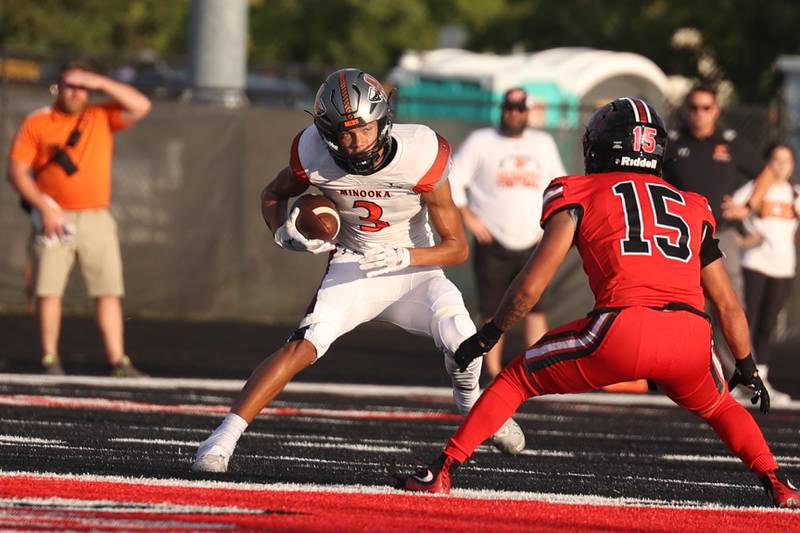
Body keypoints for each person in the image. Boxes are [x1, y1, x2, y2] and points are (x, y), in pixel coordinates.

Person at [401, 98, 799, 508]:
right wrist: (747, 365)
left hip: (622, 328)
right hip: (690, 336)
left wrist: (490, 334)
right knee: (719, 406)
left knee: (516, 378)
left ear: (601, 146)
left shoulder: (577, 191)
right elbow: (728, 304)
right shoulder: (693, 206)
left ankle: (443, 469)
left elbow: (530, 287)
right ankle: (778, 482)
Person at [191, 68, 526, 474]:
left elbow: (456, 248)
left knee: (463, 338)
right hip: (354, 264)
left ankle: (471, 401)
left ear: (383, 121)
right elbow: (273, 194)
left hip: (415, 270)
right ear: (327, 133)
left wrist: (406, 256)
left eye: (365, 129)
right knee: (304, 344)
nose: (357, 142)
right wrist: (282, 232)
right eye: (346, 134)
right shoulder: (313, 152)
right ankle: (221, 438)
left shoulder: (421, 152)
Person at [7, 61, 151, 377]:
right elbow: (16, 170)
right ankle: (50, 358)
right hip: (54, 217)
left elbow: (141, 105)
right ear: (58, 88)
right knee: (49, 290)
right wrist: (43, 207)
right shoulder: (39, 122)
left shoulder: (100, 115)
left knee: (108, 290)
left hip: (97, 216)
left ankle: (117, 361)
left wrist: (99, 81)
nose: (76, 92)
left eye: (83, 87)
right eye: (70, 85)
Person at [450, 87, 566, 378]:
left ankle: (539, 371)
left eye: (520, 108)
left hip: (534, 240)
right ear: (502, 109)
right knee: (492, 311)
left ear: (527, 112)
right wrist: (469, 217)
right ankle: (492, 371)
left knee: (537, 309)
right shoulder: (482, 140)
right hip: (494, 241)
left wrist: (551, 226)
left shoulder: (542, 142)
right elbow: (453, 178)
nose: (514, 113)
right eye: (509, 108)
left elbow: (559, 184)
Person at [662, 84, 773, 373]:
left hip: (720, 235)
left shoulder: (730, 142)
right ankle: (680, 371)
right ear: (685, 110)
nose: (699, 113)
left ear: (716, 110)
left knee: (730, 304)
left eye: (706, 108)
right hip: (681, 237)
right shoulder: (672, 142)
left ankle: (742, 373)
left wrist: (748, 207)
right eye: (693, 107)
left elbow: (766, 172)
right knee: (681, 304)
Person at [724, 142, 799, 404]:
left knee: (767, 324)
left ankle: (761, 378)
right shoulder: (755, 186)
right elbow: (729, 210)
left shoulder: (794, 192)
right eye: (776, 160)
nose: (781, 166)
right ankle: (741, 375)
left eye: (787, 161)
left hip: (783, 267)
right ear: (766, 163)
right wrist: (742, 238)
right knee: (747, 320)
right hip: (754, 263)